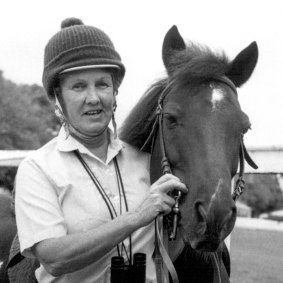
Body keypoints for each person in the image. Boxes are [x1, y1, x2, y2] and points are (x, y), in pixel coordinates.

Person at [14, 17, 187, 283]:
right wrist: (138, 217)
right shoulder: (37, 168)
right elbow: (54, 259)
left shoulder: (148, 161)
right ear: (56, 97)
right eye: (78, 86)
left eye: (103, 84)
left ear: (115, 92)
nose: (93, 98)